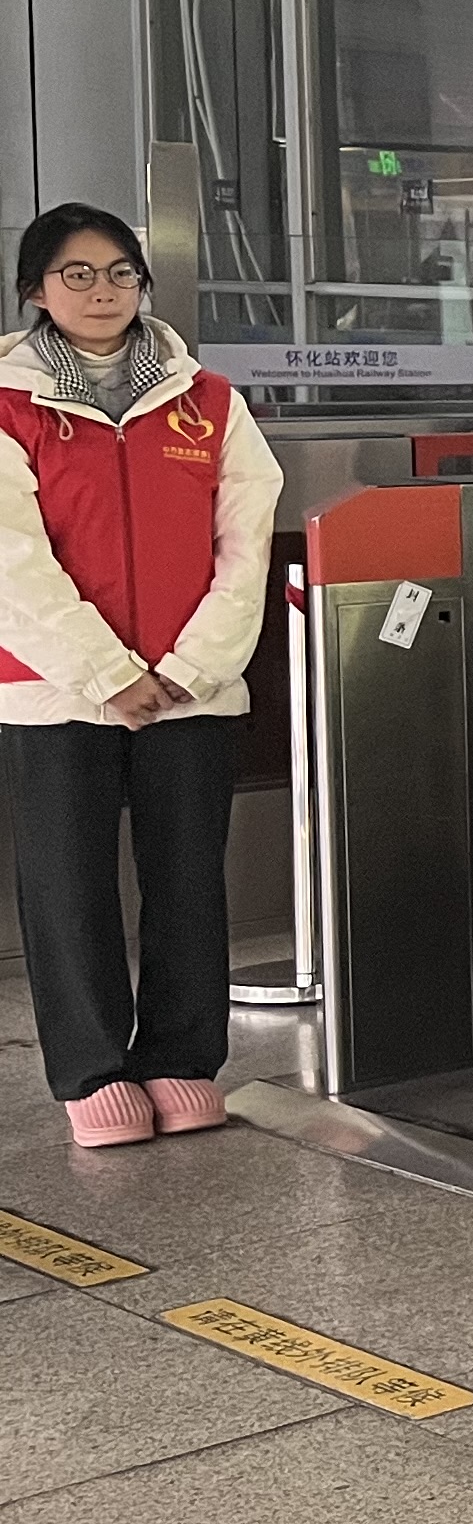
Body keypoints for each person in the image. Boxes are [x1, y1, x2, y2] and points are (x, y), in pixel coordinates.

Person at [0, 208, 283, 1147]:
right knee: (67, 885)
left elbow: (245, 546)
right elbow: (11, 561)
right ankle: (91, 1072)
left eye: (120, 272)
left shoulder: (208, 399)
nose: (102, 291)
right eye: (76, 275)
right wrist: (105, 674)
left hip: (191, 689)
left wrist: (192, 667)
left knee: (189, 878)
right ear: (35, 289)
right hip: (53, 689)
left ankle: (181, 1057)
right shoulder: (7, 403)